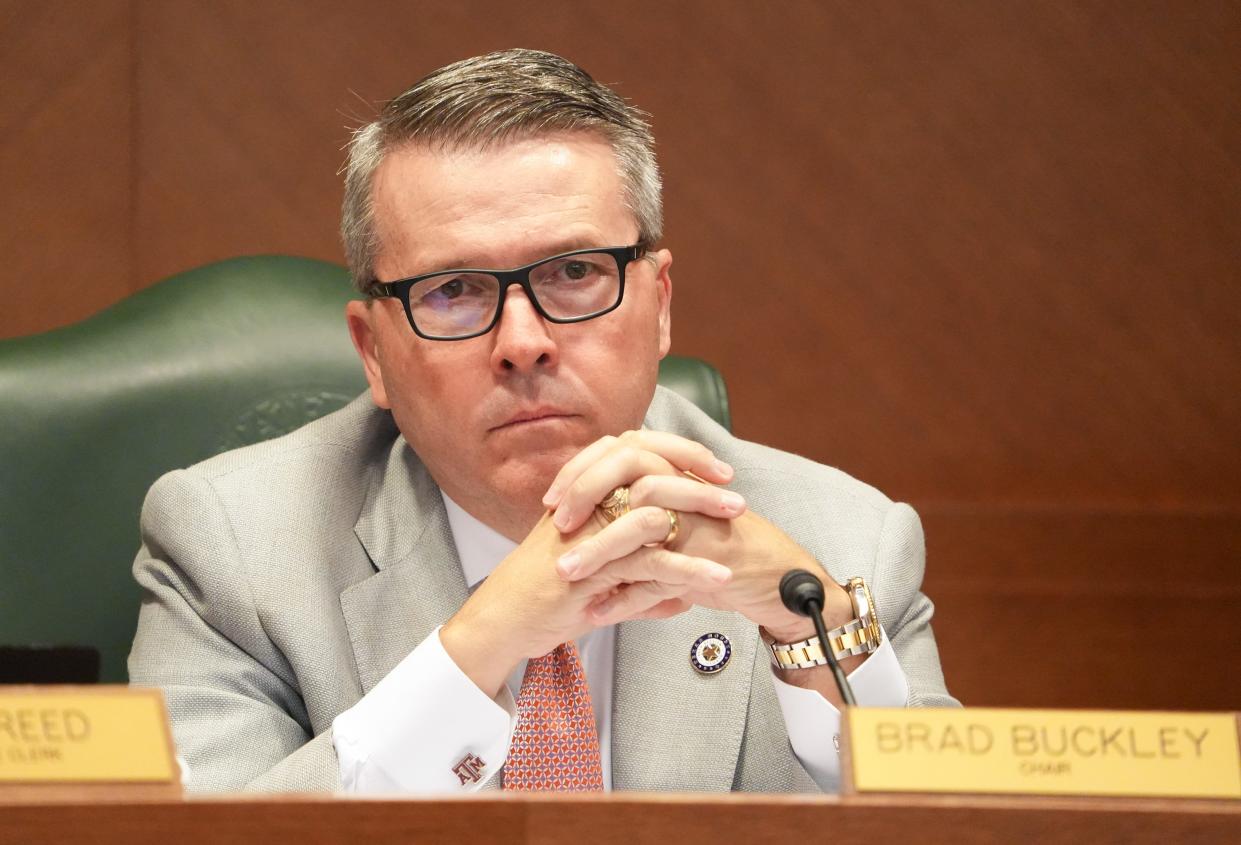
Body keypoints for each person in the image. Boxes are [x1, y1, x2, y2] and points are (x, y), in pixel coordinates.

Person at [129, 48, 956, 795]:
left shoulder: (842, 543)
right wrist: (480, 644)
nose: (522, 343)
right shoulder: (234, 547)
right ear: (372, 350)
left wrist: (808, 635)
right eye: (452, 290)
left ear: (658, 306)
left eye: (572, 271)